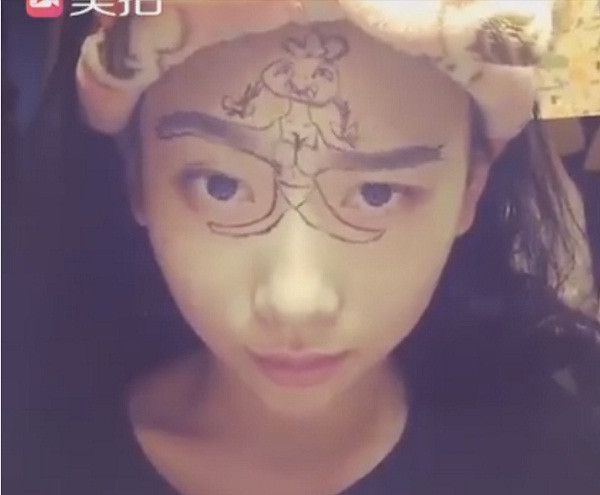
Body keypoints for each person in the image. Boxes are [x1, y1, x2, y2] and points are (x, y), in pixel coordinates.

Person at [15, 1, 600, 494]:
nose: (296, 301)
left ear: (470, 189)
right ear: (136, 177)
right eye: (221, 186)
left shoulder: (557, 464)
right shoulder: (29, 453)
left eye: (376, 193)